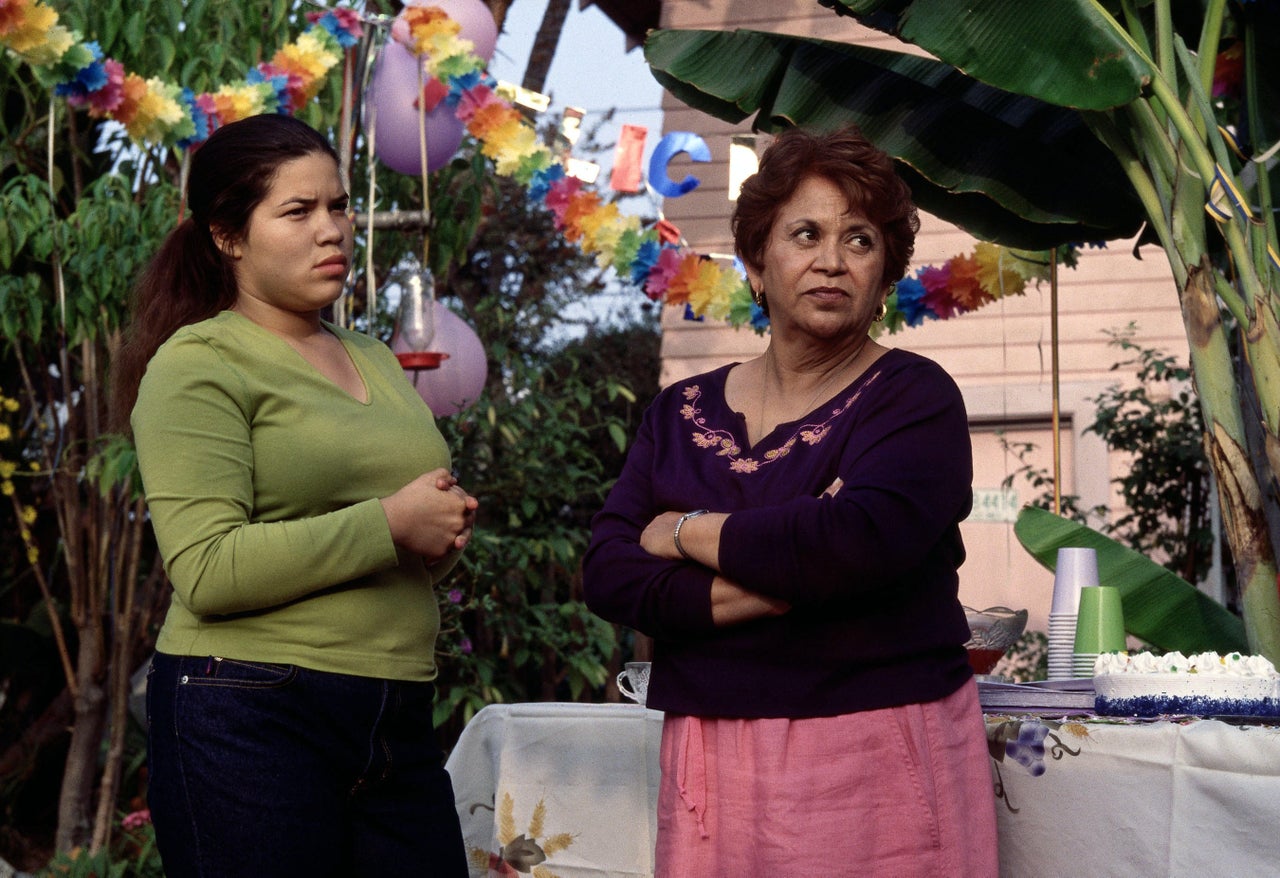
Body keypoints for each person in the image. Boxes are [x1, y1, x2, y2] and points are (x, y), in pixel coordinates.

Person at [582, 125, 998, 876]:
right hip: (707, 749)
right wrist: (779, 577)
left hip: (876, 752)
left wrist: (680, 531)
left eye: (862, 241)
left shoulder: (912, 399)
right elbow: (608, 571)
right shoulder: (679, 413)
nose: (832, 261)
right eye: (805, 233)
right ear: (755, 263)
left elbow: (854, 542)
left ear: (885, 272)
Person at [111, 113, 476, 878]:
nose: (332, 230)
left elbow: (392, 539)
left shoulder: (373, 356)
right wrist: (390, 523)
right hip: (250, 708)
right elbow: (207, 568)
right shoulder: (199, 362)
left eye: (339, 206)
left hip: (393, 709)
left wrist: (433, 534)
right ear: (228, 236)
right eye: (298, 211)